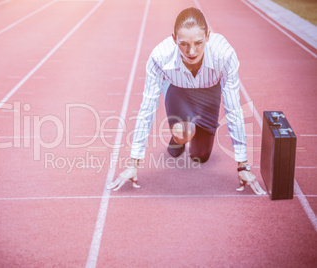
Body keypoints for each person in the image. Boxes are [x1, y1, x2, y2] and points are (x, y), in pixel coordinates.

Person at [107, 7, 266, 195]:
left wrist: (243, 166)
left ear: (208, 36)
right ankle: (179, 138)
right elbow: (147, 108)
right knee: (184, 132)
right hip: (178, 91)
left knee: (201, 156)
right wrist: (134, 162)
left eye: (198, 43)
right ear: (174, 39)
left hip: (209, 95)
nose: (191, 51)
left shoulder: (224, 55)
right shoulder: (160, 56)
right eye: (183, 44)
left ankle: (197, 130)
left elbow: (233, 109)